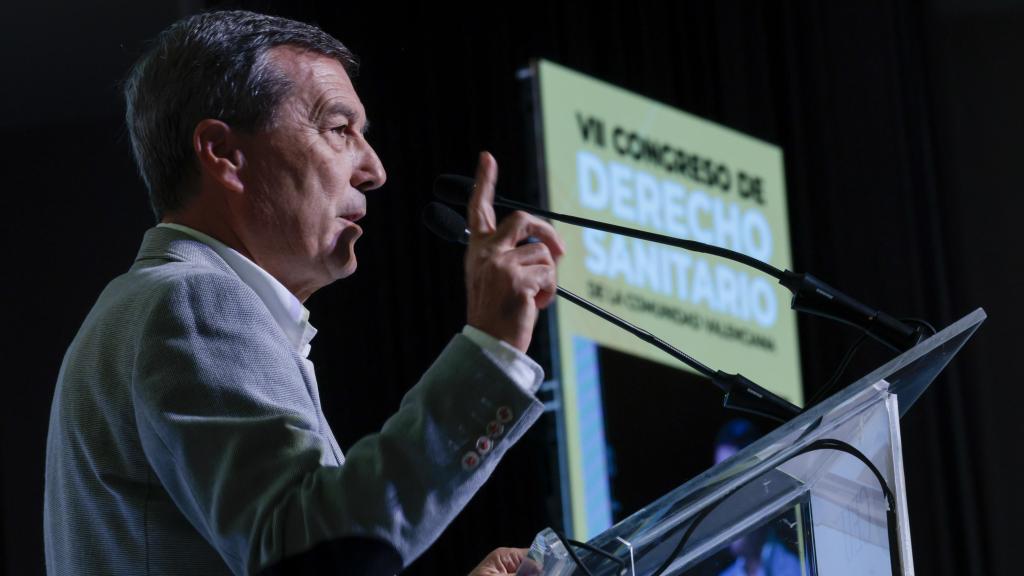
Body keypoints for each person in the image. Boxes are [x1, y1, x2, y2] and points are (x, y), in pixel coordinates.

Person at [43, 10, 563, 576]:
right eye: (339, 129)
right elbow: (306, 557)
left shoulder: (157, 303)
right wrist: (491, 352)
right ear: (223, 153)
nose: (374, 169)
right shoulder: (193, 301)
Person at [713, 419, 801, 576]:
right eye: (721, 483)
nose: (727, 499)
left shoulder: (803, 566)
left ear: (762, 484)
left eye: (736, 482)